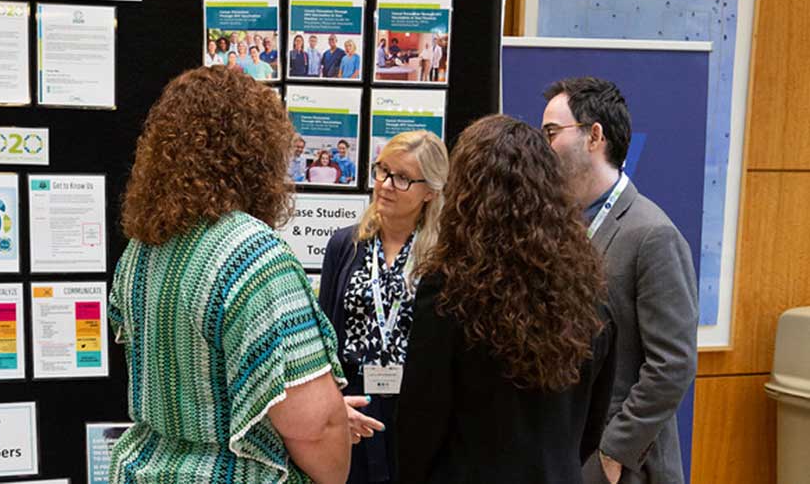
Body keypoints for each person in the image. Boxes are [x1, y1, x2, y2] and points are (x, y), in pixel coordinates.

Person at [107, 66, 351, 484]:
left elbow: (195, 391)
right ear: (256, 151)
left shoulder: (144, 248)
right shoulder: (253, 255)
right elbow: (315, 428)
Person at [395, 115, 616, 483]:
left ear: (465, 193)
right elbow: (590, 428)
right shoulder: (588, 295)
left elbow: (420, 423)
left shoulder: (448, 292)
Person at [542, 77, 698, 484]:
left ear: (594, 136)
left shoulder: (652, 234)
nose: (543, 145)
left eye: (552, 132)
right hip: (562, 450)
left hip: (624, 466)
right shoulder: (556, 227)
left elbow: (673, 365)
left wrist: (613, 455)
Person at [319, 131, 449, 484]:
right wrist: (332, 407)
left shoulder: (444, 257)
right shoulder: (345, 245)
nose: (386, 185)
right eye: (382, 171)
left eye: (403, 178)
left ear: (431, 191)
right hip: (353, 404)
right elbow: (323, 337)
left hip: (416, 408)